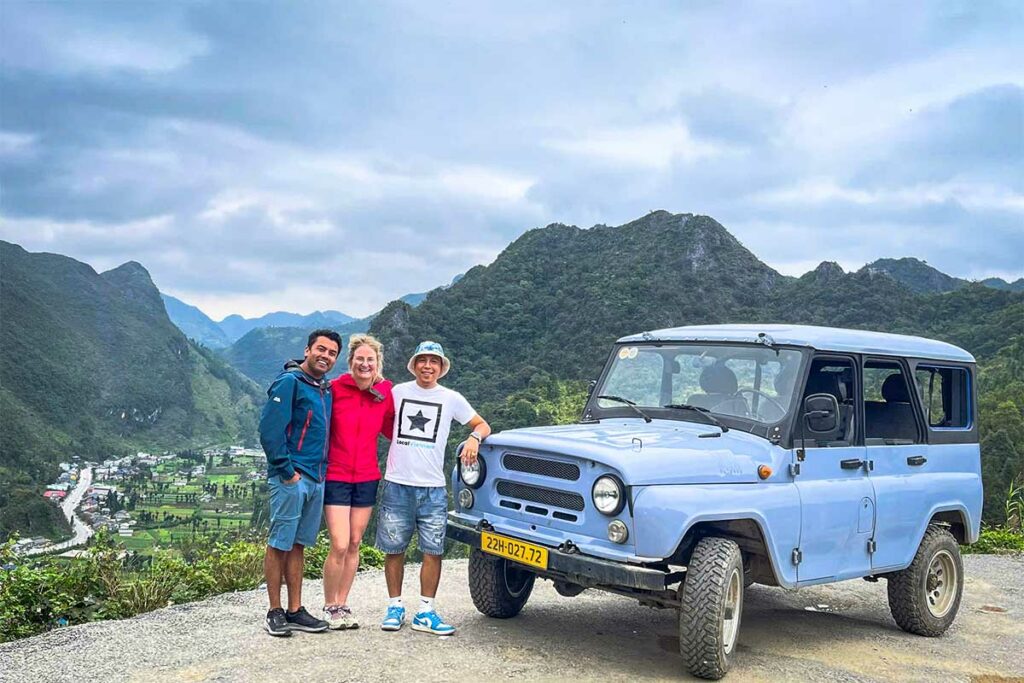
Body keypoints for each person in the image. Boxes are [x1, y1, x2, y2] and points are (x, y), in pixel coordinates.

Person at [376, 340, 491, 635]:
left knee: (433, 550)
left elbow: (482, 425)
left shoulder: (451, 398)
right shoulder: (398, 392)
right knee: (394, 548)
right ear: (414, 365)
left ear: (441, 368)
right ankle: (395, 606)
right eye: (423, 360)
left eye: (434, 362)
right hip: (397, 483)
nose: (428, 366)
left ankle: (425, 611)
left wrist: (474, 439)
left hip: (433, 488)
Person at [258, 329, 341, 637]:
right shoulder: (290, 382)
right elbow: (269, 430)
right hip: (292, 477)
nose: (326, 356)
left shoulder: (324, 389)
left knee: (298, 544)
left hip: (317, 477)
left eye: (332, 353)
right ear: (308, 350)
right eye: (321, 349)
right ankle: (274, 611)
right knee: (279, 543)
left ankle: (295, 610)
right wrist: (286, 470)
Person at [321, 334, 394, 629]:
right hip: (336, 475)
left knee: (354, 542)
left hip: (366, 476)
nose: (365, 364)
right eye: (360, 359)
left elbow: (393, 429)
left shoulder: (385, 393)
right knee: (338, 543)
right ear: (350, 362)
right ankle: (329, 606)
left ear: (378, 365)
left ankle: (343, 602)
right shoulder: (335, 389)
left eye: (371, 360)